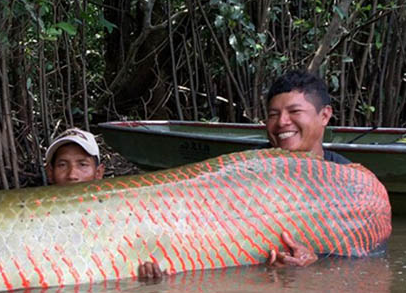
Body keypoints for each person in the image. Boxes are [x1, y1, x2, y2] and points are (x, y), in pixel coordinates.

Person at [139, 70, 351, 280]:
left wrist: (316, 266)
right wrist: (164, 268)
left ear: (325, 115)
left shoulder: (348, 181)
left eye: (294, 111)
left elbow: (367, 258)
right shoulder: (242, 170)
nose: (282, 122)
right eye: (273, 114)